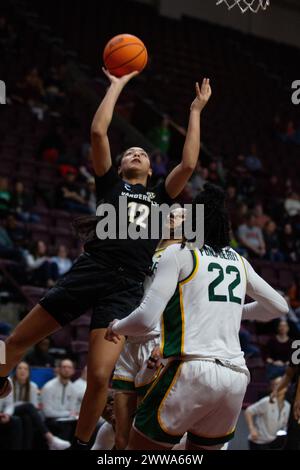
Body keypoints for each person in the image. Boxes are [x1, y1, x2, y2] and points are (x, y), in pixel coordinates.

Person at [0, 69, 212, 449]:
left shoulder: (162, 196)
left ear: (150, 170)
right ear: (119, 167)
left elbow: (189, 164)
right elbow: (99, 132)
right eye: (130, 152)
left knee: (99, 376)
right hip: (90, 270)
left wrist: (195, 111)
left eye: (143, 153)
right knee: (16, 339)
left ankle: (81, 446)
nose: (136, 153)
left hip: (126, 286)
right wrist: (115, 85)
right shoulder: (110, 186)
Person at [106, 184, 288, 450]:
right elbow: (279, 307)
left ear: (195, 222)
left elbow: (146, 318)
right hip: (236, 377)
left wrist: (117, 326)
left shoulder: (179, 253)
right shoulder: (239, 260)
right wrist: (238, 312)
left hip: (191, 369)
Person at [112, 207, 186, 449]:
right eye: (170, 213)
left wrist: (169, 342)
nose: (172, 216)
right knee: (120, 436)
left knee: (144, 433)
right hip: (129, 336)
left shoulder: (187, 255)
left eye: (180, 215)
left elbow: (189, 305)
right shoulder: (147, 248)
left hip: (157, 338)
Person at [12, 361, 70, 450]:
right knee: (28, 406)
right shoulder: (9, 384)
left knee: (27, 418)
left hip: (23, 415)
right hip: (8, 411)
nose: (22, 371)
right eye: (19, 368)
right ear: (15, 371)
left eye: (25, 369)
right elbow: (7, 404)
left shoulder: (33, 386)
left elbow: (35, 407)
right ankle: (50, 438)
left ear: (29, 372)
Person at [245, 377, 290, 450]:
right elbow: (248, 411)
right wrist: (252, 429)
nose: (279, 386)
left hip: (274, 442)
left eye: (282, 384)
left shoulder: (288, 406)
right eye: (276, 384)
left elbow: (285, 424)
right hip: (259, 442)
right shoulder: (267, 401)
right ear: (273, 388)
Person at [41, 359, 77, 442]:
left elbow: (73, 410)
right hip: (50, 420)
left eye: (69, 367)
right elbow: (47, 413)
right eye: (64, 367)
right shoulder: (48, 387)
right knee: (65, 427)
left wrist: (70, 414)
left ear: (73, 371)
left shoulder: (74, 389)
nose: (67, 370)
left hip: (66, 420)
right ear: (58, 369)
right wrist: (68, 413)